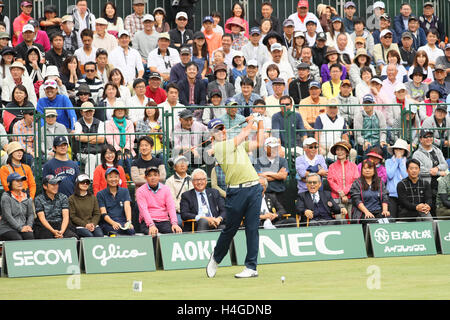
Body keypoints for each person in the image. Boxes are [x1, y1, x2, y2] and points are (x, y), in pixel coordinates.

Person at [205, 113, 264, 279]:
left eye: (222, 128)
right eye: (216, 130)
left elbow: (259, 142)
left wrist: (260, 122)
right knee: (231, 229)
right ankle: (216, 258)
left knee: (252, 229)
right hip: (236, 192)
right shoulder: (218, 148)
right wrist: (251, 120)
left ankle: (251, 267)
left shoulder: (235, 144)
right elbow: (244, 133)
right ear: (212, 136)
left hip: (253, 187)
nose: (221, 132)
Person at [136, 167, 182, 236]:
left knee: (174, 233)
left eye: (155, 175)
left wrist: (174, 223)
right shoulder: (140, 191)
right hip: (148, 221)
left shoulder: (166, 189)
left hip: (164, 221)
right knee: (153, 235)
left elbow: (171, 207)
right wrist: (151, 225)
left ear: (159, 176)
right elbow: (144, 210)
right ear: (146, 178)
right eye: (150, 175)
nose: (153, 177)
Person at [412, 129, 448, 216]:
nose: (429, 139)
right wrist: (438, 172)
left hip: (439, 184)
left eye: (430, 136)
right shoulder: (417, 154)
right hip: (426, 185)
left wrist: (437, 168)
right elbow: (420, 170)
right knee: (429, 208)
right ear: (420, 139)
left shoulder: (437, 150)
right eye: (426, 137)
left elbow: (445, 164)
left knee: (439, 206)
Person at [180, 168, 226, 232]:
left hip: (215, 223)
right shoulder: (186, 195)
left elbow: (224, 210)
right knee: (203, 222)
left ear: (206, 181)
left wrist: (219, 219)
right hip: (197, 225)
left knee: (225, 228)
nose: (199, 182)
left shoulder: (214, 192)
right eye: (196, 180)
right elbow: (184, 214)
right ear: (192, 182)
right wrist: (204, 218)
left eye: (202, 179)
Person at [33, 174, 78, 239]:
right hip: (45, 226)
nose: (56, 186)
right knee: (46, 236)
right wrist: (53, 231)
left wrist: (61, 232)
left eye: (57, 184)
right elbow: (42, 219)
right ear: (45, 186)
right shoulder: (38, 199)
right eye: (52, 184)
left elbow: (66, 217)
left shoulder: (63, 197)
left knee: (72, 237)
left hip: (61, 224)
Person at [350, 158, 390, 227]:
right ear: (361, 170)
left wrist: (385, 210)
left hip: (378, 211)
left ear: (374, 170)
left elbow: (384, 196)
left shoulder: (380, 182)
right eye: (365, 168)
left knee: (390, 220)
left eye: (370, 168)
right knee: (372, 222)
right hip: (363, 213)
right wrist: (367, 212)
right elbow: (356, 200)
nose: (367, 170)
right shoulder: (357, 183)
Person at [97, 167, 135, 236]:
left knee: (131, 230)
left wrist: (129, 221)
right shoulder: (100, 194)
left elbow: (127, 207)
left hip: (123, 221)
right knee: (114, 233)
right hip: (108, 223)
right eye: (110, 177)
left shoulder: (125, 191)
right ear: (106, 179)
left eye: (116, 177)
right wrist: (113, 223)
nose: (113, 179)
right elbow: (103, 213)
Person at [327, 141, 359, 222]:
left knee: (354, 220)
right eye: (338, 150)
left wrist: (344, 192)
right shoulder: (332, 166)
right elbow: (331, 181)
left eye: (342, 149)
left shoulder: (353, 166)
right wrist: (341, 193)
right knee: (340, 221)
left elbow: (355, 181)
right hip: (337, 197)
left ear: (347, 152)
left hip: (352, 197)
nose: (340, 152)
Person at [73, 102, 105, 179]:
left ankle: (100, 181)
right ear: (81, 112)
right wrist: (95, 136)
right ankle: (89, 181)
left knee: (98, 157)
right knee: (91, 157)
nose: (88, 113)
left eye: (90, 111)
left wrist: (86, 137)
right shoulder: (78, 123)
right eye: (86, 111)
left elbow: (101, 139)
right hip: (82, 152)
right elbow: (79, 138)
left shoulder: (100, 123)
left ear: (94, 111)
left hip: (98, 151)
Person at [254, 137, 289, 206]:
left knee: (281, 215)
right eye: (272, 148)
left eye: (276, 147)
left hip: (280, 194)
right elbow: (259, 178)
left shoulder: (283, 160)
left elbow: (283, 176)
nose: (274, 150)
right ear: (265, 148)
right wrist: (278, 175)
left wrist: (267, 174)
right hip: (264, 194)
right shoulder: (258, 161)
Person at [0, 172, 34, 241]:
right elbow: (7, 216)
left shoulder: (27, 197)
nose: (20, 183)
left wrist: (29, 226)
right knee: (17, 239)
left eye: (21, 181)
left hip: (23, 227)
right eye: (17, 181)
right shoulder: (6, 197)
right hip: (7, 228)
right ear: (9, 183)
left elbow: (31, 214)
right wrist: (20, 228)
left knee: (30, 236)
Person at [105, 101, 135, 175]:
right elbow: (110, 138)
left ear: (125, 111)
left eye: (122, 109)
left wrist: (127, 149)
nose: (120, 111)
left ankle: (132, 181)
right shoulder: (109, 123)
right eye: (118, 109)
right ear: (114, 112)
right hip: (114, 150)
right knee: (119, 159)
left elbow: (132, 137)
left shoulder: (129, 123)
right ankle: (120, 181)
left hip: (128, 149)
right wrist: (118, 150)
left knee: (128, 158)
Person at [385, 139, 409, 220]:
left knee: (403, 218)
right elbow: (390, 175)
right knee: (392, 218)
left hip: (404, 194)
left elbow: (406, 176)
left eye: (400, 149)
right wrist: (397, 161)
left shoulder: (407, 162)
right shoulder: (388, 161)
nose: (398, 151)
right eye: (396, 149)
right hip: (391, 194)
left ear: (404, 151)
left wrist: (401, 163)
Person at [165, 155, 193, 222]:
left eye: (184, 162)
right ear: (174, 167)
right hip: (178, 212)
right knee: (179, 223)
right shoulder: (169, 181)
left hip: (193, 211)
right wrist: (184, 210)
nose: (182, 165)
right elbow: (171, 201)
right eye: (179, 163)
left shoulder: (192, 179)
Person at [132, 14, 159, 82]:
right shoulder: (137, 35)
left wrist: (151, 60)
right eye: (146, 22)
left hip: (154, 60)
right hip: (141, 60)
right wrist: (141, 59)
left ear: (153, 23)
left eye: (150, 22)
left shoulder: (158, 36)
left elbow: (158, 51)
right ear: (143, 23)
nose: (148, 24)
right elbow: (135, 50)